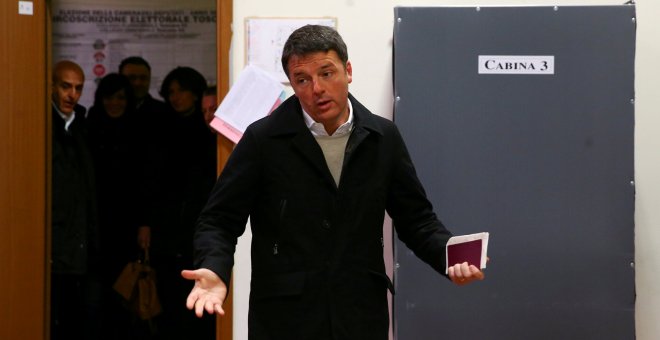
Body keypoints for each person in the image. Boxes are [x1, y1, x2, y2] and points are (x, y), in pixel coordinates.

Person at [182, 25, 486, 339]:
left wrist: (450, 255)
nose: (317, 88)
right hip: (285, 317)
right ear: (293, 84)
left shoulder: (383, 138)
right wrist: (214, 268)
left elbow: (417, 219)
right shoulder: (263, 140)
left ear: (348, 70)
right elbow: (219, 219)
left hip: (359, 313)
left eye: (327, 73)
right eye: (303, 80)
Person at [149, 66, 217, 339]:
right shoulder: (163, 127)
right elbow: (153, 179)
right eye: (172, 92)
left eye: (182, 91)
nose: (176, 97)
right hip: (168, 225)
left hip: (197, 225)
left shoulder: (212, 135)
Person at [86, 73, 150, 339]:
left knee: (125, 288)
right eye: (109, 97)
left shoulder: (137, 130)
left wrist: (144, 223)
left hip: (127, 222)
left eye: (121, 97)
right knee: (95, 292)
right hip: (94, 219)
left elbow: (145, 181)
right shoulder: (89, 127)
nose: (115, 103)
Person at [51, 60, 101, 340]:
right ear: (51, 86)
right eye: (65, 86)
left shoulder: (82, 126)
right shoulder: (43, 126)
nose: (72, 94)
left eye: (78, 88)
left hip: (81, 241)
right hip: (56, 242)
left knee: (78, 319)